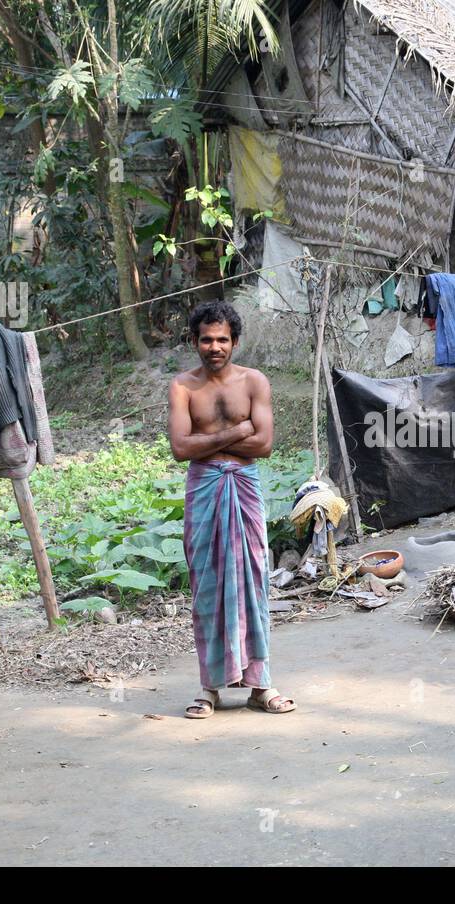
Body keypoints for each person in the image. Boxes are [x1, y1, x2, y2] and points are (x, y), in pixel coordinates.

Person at [167, 301, 295, 717]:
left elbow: (265, 445)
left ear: (235, 341)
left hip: (244, 487)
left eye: (222, 339)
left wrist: (220, 439)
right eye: (206, 339)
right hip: (204, 489)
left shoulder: (255, 382)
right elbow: (180, 448)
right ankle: (210, 688)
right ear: (195, 342)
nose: (215, 346)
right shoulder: (183, 387)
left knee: (254, 580)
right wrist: (240, 430)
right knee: (207, 584)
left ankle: (261, 685)